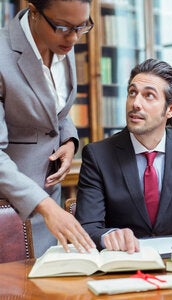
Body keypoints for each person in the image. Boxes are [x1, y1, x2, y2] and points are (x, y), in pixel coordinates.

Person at [75, 58, 172, 253]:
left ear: (171, 109)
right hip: (124, 264)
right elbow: (87, 226)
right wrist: (109, 236)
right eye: (132, 93)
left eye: (149, 95)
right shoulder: (98, 155)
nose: (135, 103)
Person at [0, 0, 96, 257]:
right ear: (34, 13)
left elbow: (54, 110)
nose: (74, 38)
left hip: (50, 194)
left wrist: (69, 141)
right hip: (7, 205)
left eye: (82, 27)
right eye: (64, 27)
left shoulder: (64, 41)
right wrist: (46, 207)